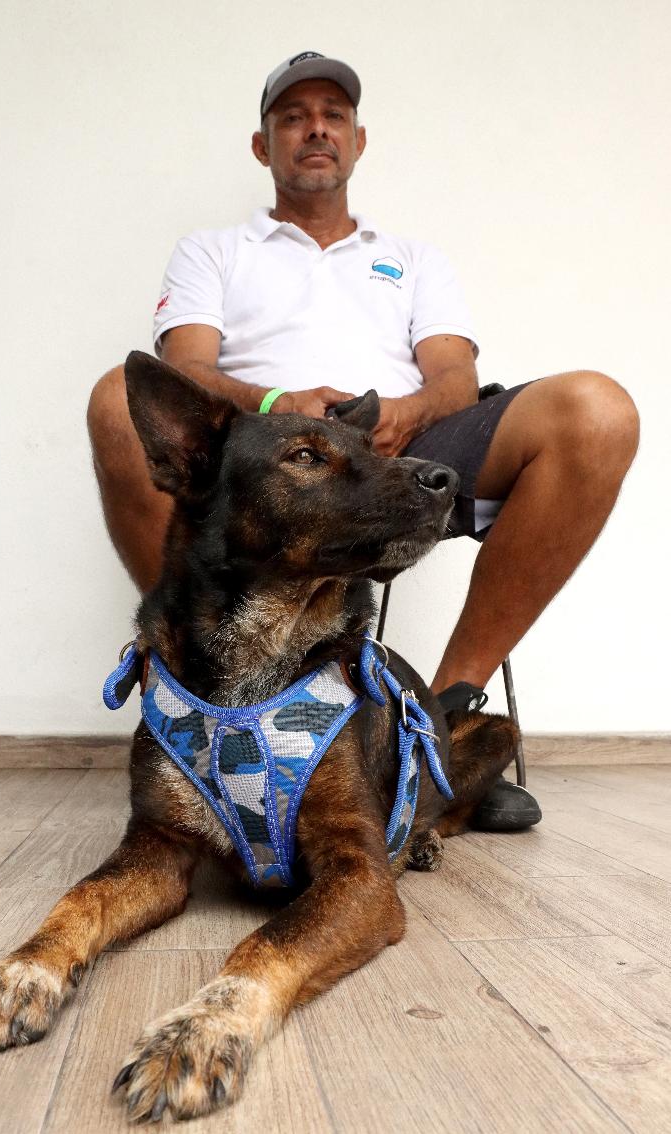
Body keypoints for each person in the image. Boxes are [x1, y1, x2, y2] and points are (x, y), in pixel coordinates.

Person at [87, 52, 639, 831]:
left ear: (358, 138)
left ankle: (439, 726)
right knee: (116, 397)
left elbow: (455, 374)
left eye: (332, 115)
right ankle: (200, 692)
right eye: (293, 117)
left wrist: (410, 413)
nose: (316, 128)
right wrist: (281, 403)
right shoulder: (213, 251)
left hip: (396, 447)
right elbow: (187, 367)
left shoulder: (413, 259)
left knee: (598, 411)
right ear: (262, 145)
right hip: (270, 464)